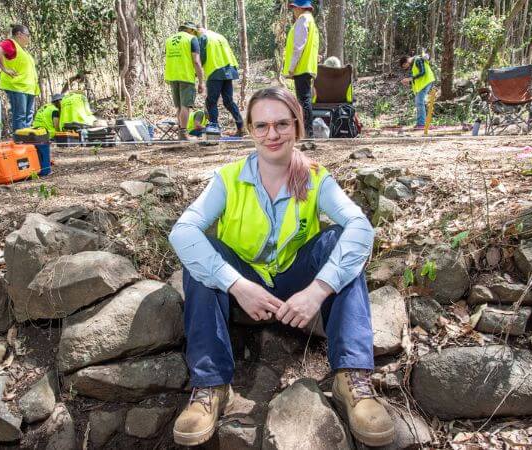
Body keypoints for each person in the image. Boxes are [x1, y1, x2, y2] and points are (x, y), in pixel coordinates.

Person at [168, 86, 395, 447]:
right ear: (249, 129)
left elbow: (360, 227)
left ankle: (352, 379)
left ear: (296, 126)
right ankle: (211, 386)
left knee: (342, 241)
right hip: (245, 284)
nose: (271, 134)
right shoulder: (227, 179)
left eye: (281, 124)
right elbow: (182, 232)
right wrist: (236, 284)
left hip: (296, 284)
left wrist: (318, 290)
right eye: (261, 126)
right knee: (201, 254)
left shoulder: (317, 177)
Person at [196, 26, 245, 137]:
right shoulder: (219, 36)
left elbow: (201, 57)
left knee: (211, 101)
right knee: (228, 101)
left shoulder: (203, 37)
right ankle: (241, 126)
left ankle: (214, 131)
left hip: (215, 71)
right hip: (229, 69)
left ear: (199, 30)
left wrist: (196, 72)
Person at [282, 0, 319, 140]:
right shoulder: (311, 21)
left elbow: (299, 46)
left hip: (301, 68)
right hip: (307, 67)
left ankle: (308, 134)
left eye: (294, 8)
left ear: (299, 8)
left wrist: (291, 67)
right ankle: (306, 133)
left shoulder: (303, 20)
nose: (293, 11)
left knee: (304, 101)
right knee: (305, 100)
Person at [0, 24, 40, 134]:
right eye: (27, 36)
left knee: (28, 116)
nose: (28, 39)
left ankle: (26, 140)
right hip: (17, 86)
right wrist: (4, 68)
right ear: (19, 34)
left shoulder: (23, 50)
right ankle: (19, 142)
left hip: (28, 89)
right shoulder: (11, 44)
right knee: (20, 115)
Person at [165, 22, 205, 141]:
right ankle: (183, 133)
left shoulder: (169, 40)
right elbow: (196, 61)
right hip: (186, 76)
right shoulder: (191, 39)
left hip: (172, 76)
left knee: (178, 107)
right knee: (185, 106)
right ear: (191, 30)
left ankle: (181, 132)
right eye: (195, 32)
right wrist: (201, 81)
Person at [399, 53, 435, 129]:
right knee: (419, 102)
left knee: (419, 102)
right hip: (423, 84)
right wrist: (409, 82)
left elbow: (422, 72)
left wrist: (410, 79)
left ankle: (422, 124)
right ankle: (420, 123)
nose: (405, 67)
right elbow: (416, 77)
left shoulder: (417, 60)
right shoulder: (414, 64)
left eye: (404, 66)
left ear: (405, 62)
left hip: (426, 82)